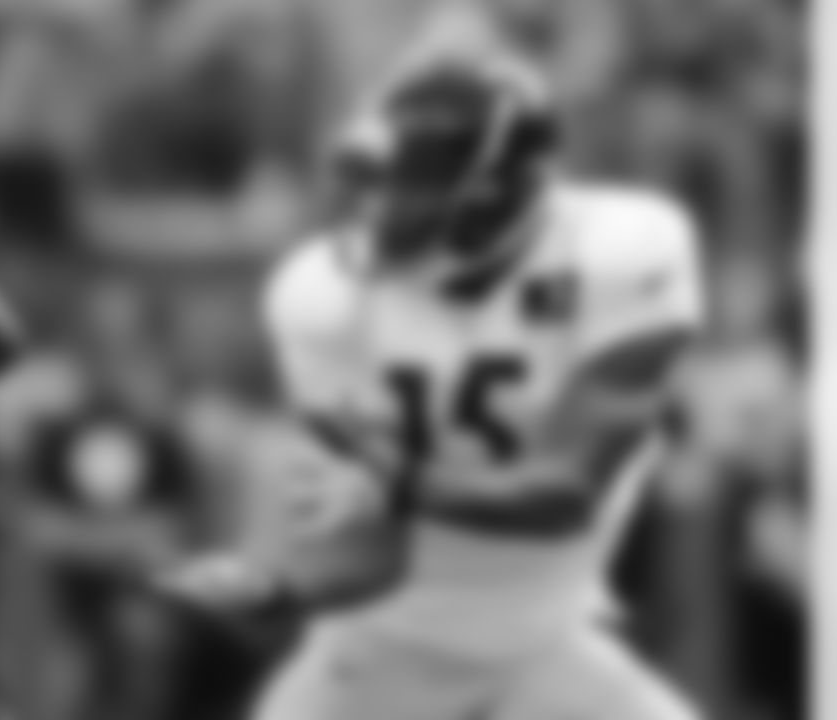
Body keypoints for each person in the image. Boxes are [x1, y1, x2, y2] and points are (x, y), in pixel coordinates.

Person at [160, 6, 704, 720]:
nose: (377, 209)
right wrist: (278, 587)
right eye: (373, 180)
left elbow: (568, 491)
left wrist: (401, 479)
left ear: (496, 191)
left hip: (547, 639)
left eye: (408, 184)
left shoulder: (618, 251)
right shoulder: (322, 296)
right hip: (386, 645)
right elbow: (368, 552)